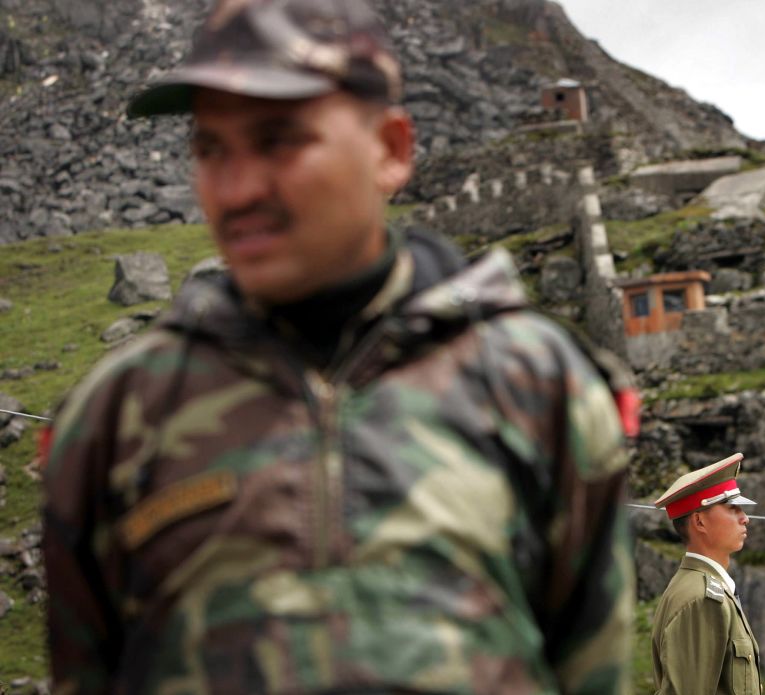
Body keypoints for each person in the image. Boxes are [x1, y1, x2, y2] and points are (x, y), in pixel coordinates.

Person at [41, 1, 635, 692]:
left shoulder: (536, 383)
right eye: (210, 149)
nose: (236, 190)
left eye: (278, 140)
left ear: (390, 149)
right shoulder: (117, 415)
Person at [650, 453, 762, 695]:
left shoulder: (707, 589)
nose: (745, 518)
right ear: (699, 522)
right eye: (733, 508)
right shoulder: (701, 599)